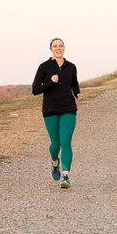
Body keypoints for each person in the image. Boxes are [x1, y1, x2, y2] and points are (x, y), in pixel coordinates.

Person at [31, 37, 81, 189]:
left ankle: (65, 175)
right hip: (50, 109)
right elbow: (35, 90)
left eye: (61, 46)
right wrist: (50, 82)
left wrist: (78, 94)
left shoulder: (71, 66)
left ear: (64, 48)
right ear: (51, 49)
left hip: (68, 108)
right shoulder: (44, 67)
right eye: (55, 46)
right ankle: (55, 162)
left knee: (66, 141)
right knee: (55, 144)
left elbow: (74, 83)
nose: (58, 48)